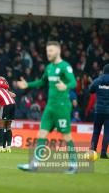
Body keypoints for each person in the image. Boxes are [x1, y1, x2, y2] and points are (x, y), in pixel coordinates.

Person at [16, 41, 78, 174]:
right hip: (50, 107)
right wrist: (28, 84)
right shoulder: (49, 67)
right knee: (41, 134)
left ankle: (74, 164)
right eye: (47, 51)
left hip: (62, 107)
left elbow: (73, 81)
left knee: (66, 136)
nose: (48, 53)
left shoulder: (65, 67)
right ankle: (34, 164)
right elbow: (42, 81)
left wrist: (65, 86)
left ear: (58, 51)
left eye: (50, 50)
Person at [89, 64, 109, 159]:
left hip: (99, 111)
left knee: (96, 131)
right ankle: (103, 153)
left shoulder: (98, 80)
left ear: (103, 71)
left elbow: (90, 90)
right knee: (107, 132)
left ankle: (92, 151)